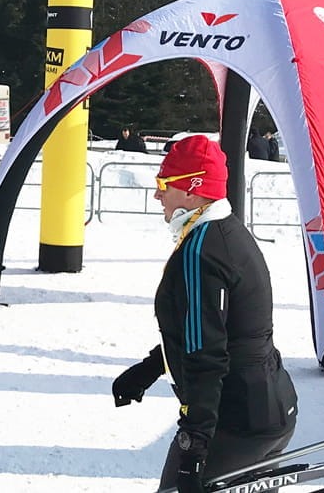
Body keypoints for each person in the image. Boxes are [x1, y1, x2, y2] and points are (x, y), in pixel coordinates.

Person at [112, 134, 297, 493]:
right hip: (266, 410)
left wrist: (193, 444)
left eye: (164, 184)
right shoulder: (225, 232)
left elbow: (206, 354)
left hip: (236, 424)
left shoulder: (201, 253)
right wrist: (149, 369)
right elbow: (205, 329)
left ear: (193, 188)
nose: (157, 194)